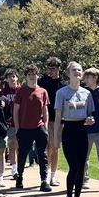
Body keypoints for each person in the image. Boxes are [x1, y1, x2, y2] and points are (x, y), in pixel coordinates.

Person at [54, 62, 95, 197]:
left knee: (82, 167)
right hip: (68, 130)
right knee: (74, 166)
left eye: (79, 70)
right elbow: (58, 117)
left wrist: (91, 120)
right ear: (68, 73)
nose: (77, 72)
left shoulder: (87, 93)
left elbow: (90, 114)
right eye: (74, 70)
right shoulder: (61, 93)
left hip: (82, 131)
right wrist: (56, 138)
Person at [13, 65, 52, 192]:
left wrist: (45, 127)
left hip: (39, 127)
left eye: (34, 74)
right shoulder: (21, 91)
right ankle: (19, 177)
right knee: (23, 154)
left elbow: (45, 111)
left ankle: (44, 180)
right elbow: (16, 110)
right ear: (26, 76)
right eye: (29, 74)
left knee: (43, 155)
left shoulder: (43, 91)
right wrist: (18, 127)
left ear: (37, 75)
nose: (32, 76)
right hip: (24, 128)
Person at [82, 68, 99, 193]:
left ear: (95, 78)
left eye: (88, 77)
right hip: (86, 130)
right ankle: (84, 180)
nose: (86, 79)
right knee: (84, 157)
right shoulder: (83, 92)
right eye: (86, 77)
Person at [39, 56, 64, 186]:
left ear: (59, 68)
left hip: (59, 120)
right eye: (48, 68)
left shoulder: (63, 84)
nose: (50, 71)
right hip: (45, 119)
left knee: (55, 147)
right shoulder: (42, 82)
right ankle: (46, 175)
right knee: (48, 147)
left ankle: (53, 176)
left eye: (53, 68)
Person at [1, 69, 20, 178]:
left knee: (19, 147)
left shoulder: (21, 90)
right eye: (9, 77)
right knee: (12, 145)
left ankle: (18, 167)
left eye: (14, 76)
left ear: (17, 77)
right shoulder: (4, 92)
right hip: (9, 123)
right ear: (7, 79)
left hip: (21, 123)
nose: (12, 79)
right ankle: (14, 169)